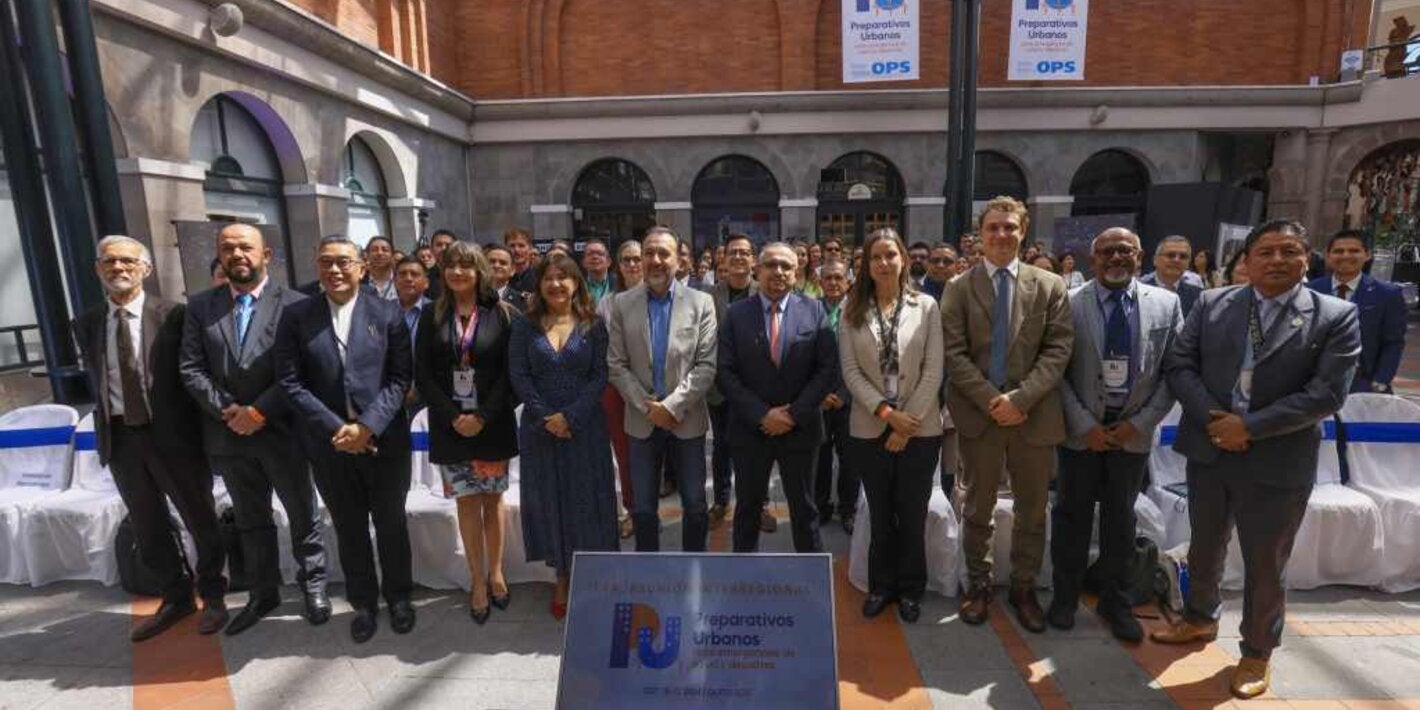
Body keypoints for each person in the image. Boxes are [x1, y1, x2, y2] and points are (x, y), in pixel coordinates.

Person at [1153, 220, 1360, 699]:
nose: (1276, 261)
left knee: (1266, 561)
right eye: (1264, 252)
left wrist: (1250, 426)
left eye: (1289, 251)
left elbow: (1327, 393)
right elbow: (1180, 364)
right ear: (1246, 260)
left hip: (1277, 458)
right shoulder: (1212, 303)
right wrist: (1214, 419)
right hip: (1210, 448)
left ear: (1307, 259)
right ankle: (1199, 619)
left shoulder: (1334, 315)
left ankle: (1256, 652)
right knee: (1204, 545)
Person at [74, 236, 228, 641]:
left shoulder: (174, 315)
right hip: (122, 438)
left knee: (200, 518)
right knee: (147, 525)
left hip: (173, 437)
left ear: (146, 268)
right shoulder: (87, 323)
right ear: (98, 269)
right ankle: (175, 597)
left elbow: (195, 378)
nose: (118, 268)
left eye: (127, 261)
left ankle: (213, 596)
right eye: (109, 262)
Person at [179, 224, 328, 636]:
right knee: (250, 519)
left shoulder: (298, 304)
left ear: (267, 256)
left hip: (282, 430)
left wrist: (259, 411)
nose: (236, 254)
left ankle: (313, 584)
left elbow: (302, 368)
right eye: (228, 248)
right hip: (229, 434)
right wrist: (229, 409)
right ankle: (264, 594)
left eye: (246, 247)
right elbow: (191, 368)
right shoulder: (200, 307)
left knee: (302, 514)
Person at [941, 196, 1074, 632]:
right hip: (980, 417)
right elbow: (954, 353)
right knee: (977, 506)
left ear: (1024, 232)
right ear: (981, 235)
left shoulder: (1050, 285)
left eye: (1009, 227)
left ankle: (1023, 587)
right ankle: (977, 586)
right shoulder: (959, 287)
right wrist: (990, 400)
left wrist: (1020, 399)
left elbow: (1058, 350)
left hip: (1033, 417)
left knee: (1032, 510)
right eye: (993, 227)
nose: (1001, 235)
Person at [275, 235, 415, 643]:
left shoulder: (387, 313)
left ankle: (400, 597)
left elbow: (399, 377)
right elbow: (290, 381)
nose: (334, 270)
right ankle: (364, 603)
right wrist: (338, 427)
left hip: (385, 441)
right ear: (317, 267)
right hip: (328, 444)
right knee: (350, 527)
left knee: (391, 524)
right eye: (325, 262)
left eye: (342, 262)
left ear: (361, 268)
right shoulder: (297, 316)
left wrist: (367, 426)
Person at [1049, 228, 1183, 642]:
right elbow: (1055, 372)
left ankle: (1115, 600)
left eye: (1125, 250)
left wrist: (1138, 425)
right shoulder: (1069, 304)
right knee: (1071, 518)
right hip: (1081, 436)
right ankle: (1065, 598)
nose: (1115, 258)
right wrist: (1084, 425)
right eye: (1106, 251)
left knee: (1120, 522)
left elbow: (1173, 373)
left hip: (1132, 436)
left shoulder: (1166, 304)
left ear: (1140, 256)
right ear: (1093, 258)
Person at [839, 229, 944, 623]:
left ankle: (911, 588)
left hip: (920, 429)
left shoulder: (927, 306)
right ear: (866, 265)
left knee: (912, 512)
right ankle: (882, 585)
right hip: (870, 427)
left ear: (904, 259)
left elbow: (934, 370)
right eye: (875, 257)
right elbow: (850, 372)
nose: (884, 263)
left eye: (890, 255)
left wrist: (905, 425)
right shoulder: (853, 309)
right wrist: (886, 413)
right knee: (880, 513)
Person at [508, 252, 618, 620]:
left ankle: (594, 574)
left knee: (587, 500)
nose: (556, 284)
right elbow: (519, 375)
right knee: (551, 502)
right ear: (539, 285)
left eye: (563, 277)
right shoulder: (525, 325)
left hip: (584, 427)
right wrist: (546, 416)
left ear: (576, 283)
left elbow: (599, 376)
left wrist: (570, 416)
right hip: (541, 430)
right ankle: (561, 576)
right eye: (549, 278)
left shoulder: (593, 324)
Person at [414, 241, 519, 625]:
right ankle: (476, 580)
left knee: (493, 501)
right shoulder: (431, 314)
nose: (458, 272)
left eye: (466, 266)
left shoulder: (503, 314)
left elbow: (512, 373)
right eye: (451, 266)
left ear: (480, 272)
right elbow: (421, 373)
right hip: (450, 425)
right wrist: (453, 415)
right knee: (466, 504)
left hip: (492, 424)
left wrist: (483, 416)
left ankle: (497, 573)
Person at [717, 242, 839, 553]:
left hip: (800, 430)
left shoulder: (814, 310)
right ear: (757, 271)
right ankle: (742, 582)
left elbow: (826, 370)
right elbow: (725, 373)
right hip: (749, 430)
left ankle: (810, 585)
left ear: (797, 272)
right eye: (771, 264)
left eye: (786, 266)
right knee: (746, 509)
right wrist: (762, 414)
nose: (778, 272)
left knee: (805, 511)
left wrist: (794, 414)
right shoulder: (734, 314)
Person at [606, 227, 717, 552]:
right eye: (649, 253)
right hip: (641, 421)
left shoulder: (701, 303)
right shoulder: (622, 304)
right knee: (642, 508)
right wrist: (648, 407)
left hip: (687, 419)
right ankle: (649, 574)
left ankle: (693, 569)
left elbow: (706, 365)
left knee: (695, 504)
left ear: (678, 260)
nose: (655, 260)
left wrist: (671, 407)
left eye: (663, 253)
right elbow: (616, 364)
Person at [704, 235, 775, 532]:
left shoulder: (765, 292)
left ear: (753, 259)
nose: (738, 258)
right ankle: (721, 500)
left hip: (757, 389)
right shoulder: (708, 296)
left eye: (744, 253)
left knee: (761, 448)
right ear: (723, 258)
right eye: (732, 252)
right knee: (722, 447)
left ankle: (761, 503)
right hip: (720, 388)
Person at [1307, 230, 1408, 394]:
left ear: (1367, 255)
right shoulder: (1310, 290)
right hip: (1314, 383)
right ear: (1328, 256)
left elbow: (1393, 342)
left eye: (1354, 251)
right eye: (1338, 251)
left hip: (1364, 383)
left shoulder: (1388, 294)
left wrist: (1381, 380)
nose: (1345, 256)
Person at [601, 240, 645, 539]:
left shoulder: (656, 297)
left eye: (637, 259)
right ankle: (632, 510)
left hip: (650, 385)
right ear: (618, 265)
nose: (633, 265)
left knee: (653, 451)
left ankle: (649, 506)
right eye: (627, 259)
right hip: (616, 386)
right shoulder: (606, 303)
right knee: (625, 453)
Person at [814, 258, 856, 533]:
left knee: (850, 461)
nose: (832, 283)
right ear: (819, 282)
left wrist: (842, 393)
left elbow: (864, 360)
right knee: (819, 458)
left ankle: (848, 509)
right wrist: (820, 394)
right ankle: (820, 507)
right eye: (827, 278)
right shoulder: (808, 310)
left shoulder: (859, 312)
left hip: (850, 399)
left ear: (848, 282)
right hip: (817, 400)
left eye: (838, 278)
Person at [1141, 236, 1204, 316]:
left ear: (1188, 264)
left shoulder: (1198, 297)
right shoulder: (1137, 292)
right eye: (1170, 255)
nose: (1176, 260)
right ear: (1155, 260)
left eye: (1183, 257)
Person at [485, 243, 528, 313]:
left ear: (512, 270)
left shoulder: (522, 302)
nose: (496, 265)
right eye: (492, 262)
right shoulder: (474, 298)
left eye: (503, 263)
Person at [504, 226, 538, 295]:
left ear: (530, 248)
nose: (516, 250)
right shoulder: (501, 277)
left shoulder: (539, 276)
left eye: (521, 246)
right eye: (512, 246)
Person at [425, 229, 458, 301]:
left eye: (448, 245)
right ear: (431, 249)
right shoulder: (425, 277)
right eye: (439, 245)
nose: (444, 248)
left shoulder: (464, 274)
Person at [581, 238, 616, 305]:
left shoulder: (620, 283)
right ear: (583, 262)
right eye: (590, 254)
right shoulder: (577, 285)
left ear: (609, 262)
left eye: (600, 254)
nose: (595, 257)